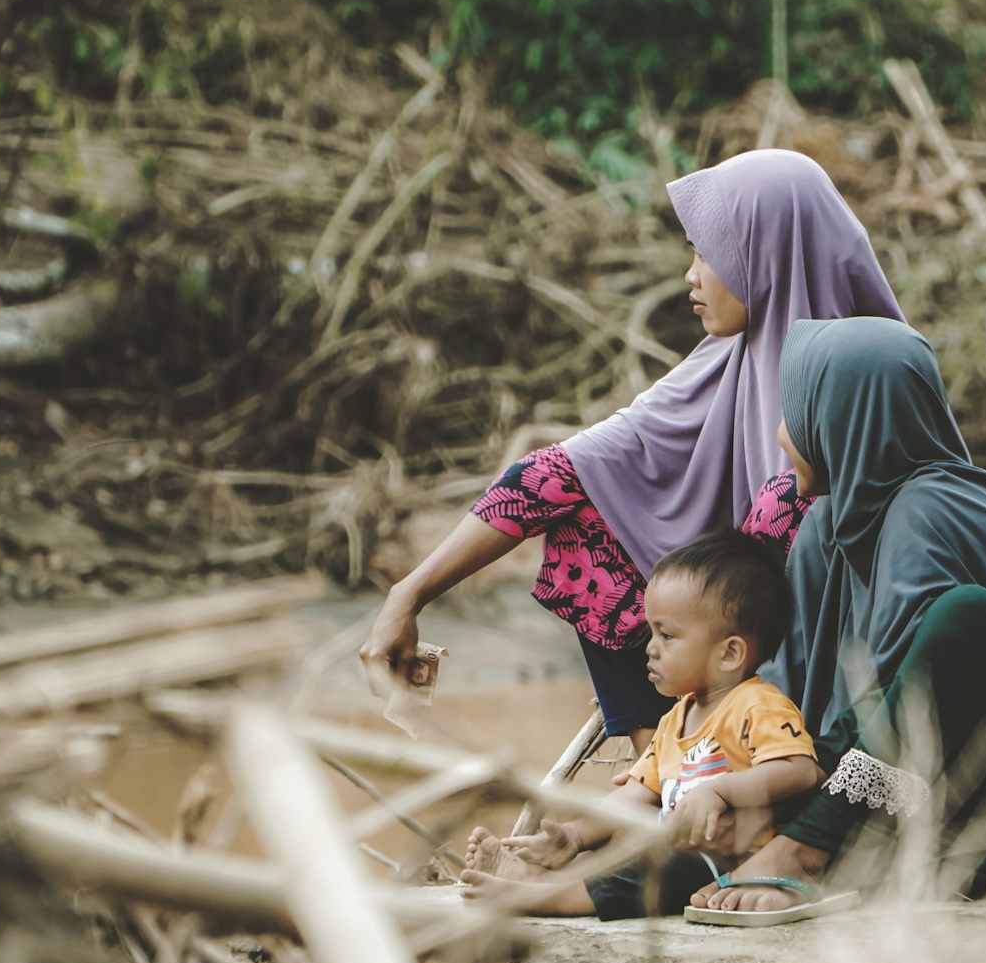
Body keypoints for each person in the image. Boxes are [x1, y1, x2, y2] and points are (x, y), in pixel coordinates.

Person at [357, 150, 901, 752]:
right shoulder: (723, 366)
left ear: (768, 255)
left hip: (826, 694)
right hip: (727, 672)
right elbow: (553, 476)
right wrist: (407, 596)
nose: (691, 276)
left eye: (709, 253)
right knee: (586, 510)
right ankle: (655, 765)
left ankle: (726, 778)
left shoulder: (873, 378)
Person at [688, 317, 986, 923]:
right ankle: (609, 880)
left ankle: (810, 849)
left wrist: (808, 828)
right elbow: (787, 713)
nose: (782, 434)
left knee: (966, 618)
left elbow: (902, 707)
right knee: (771, 784)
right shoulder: (830, 528)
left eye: (798, 410)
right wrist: (683, 800)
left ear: (847, 419)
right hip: (938, 804)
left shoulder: (927, 508)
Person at [460, 529, 822, 919]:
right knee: (621, 838)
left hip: (728, 858)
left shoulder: (758, 705)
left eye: (667, 635)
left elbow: (802, 770)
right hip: (670, 847)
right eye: (651, 631)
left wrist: (720, 793)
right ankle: (537, 874)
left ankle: (552, 899)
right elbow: (632, 797)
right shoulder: (672, 721)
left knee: (656, 864)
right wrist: (575, 837)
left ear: (730, 653)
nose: (650, 647)